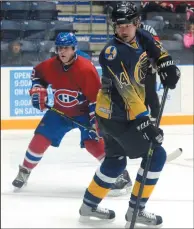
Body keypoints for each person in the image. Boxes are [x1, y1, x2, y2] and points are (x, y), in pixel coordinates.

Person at [79, 2, 180, 228]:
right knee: (156, 156)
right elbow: (128, 92)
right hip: (117, 117)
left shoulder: (142, 36)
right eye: (118, 25)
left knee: (115, 162)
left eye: (127, 25)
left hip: (110, 115)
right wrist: (145, 122)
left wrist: (167, 65)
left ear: (137, 23)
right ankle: (137, 210)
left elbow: (158, 51)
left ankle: (88, 205)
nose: (122, 30)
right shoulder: (112, 52)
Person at [12, 32, 132, 196]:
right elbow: (37, 75)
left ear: (74, 49)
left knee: (93, 143)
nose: (62, 52)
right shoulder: (49, 65)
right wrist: (38, 89)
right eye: (60, 48)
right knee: (40, 138)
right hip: (60, 111)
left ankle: (119, 173)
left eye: (66, 48)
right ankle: (25, 170)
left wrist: (96, 124)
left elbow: (95, 100)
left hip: (84, 113)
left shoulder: (86, 68)